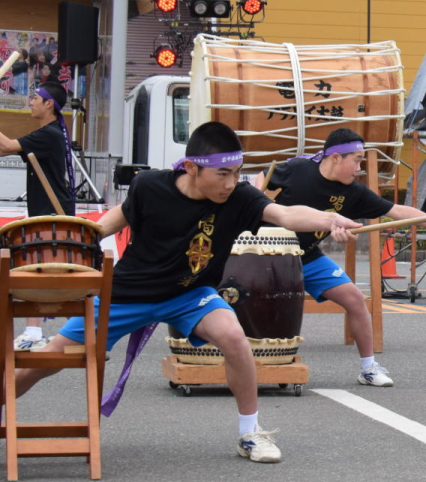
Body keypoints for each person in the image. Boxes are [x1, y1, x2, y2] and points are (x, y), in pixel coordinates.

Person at [14, 121, 362, 463]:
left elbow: (285, 214)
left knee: (234, 338)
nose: (230, 183)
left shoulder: (239, 198)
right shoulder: (150, 186)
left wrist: (329, 220)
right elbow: (113, 220)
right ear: (193, 168)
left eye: (236, 173)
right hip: (126, 294)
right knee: (46, 361)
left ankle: (250, 433)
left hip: (189, 294)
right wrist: (81, 240)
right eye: (222, 174)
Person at [257, 128, 426, 386]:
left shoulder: (354, 193)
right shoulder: (298, 169)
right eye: (356, 159)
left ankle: (368, 368)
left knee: (354, 298)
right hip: (266, 254)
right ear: (335, 158)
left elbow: (397, 211)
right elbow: (261, 180)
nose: (360, 167)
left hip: (307, 258)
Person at [0, 81, 76, 349]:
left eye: (35, 98)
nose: (30, 102)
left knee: (39, 273)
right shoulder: (46, 133)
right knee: (39, 272)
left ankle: (35, 333)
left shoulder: (50, 134)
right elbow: (5, 148)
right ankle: (38, 332)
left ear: (49, 104)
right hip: (48, 212)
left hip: (52, 213)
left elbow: (8, 145)